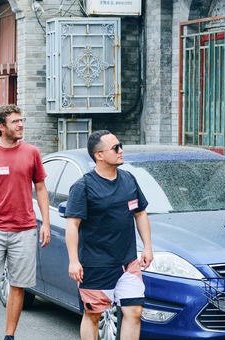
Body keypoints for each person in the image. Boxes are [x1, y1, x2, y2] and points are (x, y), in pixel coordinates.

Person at [0, 104, 50, 340]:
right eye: (15, 121)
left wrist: (45, 222)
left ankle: (9, 336)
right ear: (1, 127)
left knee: (18, 285)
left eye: (21, 120)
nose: (21, 124)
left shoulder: (32, 152)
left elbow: (41, 188)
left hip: (24, 229)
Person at [64, 130, 153, 340]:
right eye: (115, 148)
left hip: (128, 262)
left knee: (134, 312)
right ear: (99, 155)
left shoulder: (129, 179)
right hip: (96, 265)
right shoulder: (83, 186)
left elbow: (140, 214)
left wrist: (147, 247)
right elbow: (72, 225)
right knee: (93, 315)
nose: (121, 150)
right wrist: (74, 261)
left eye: (120, 145)